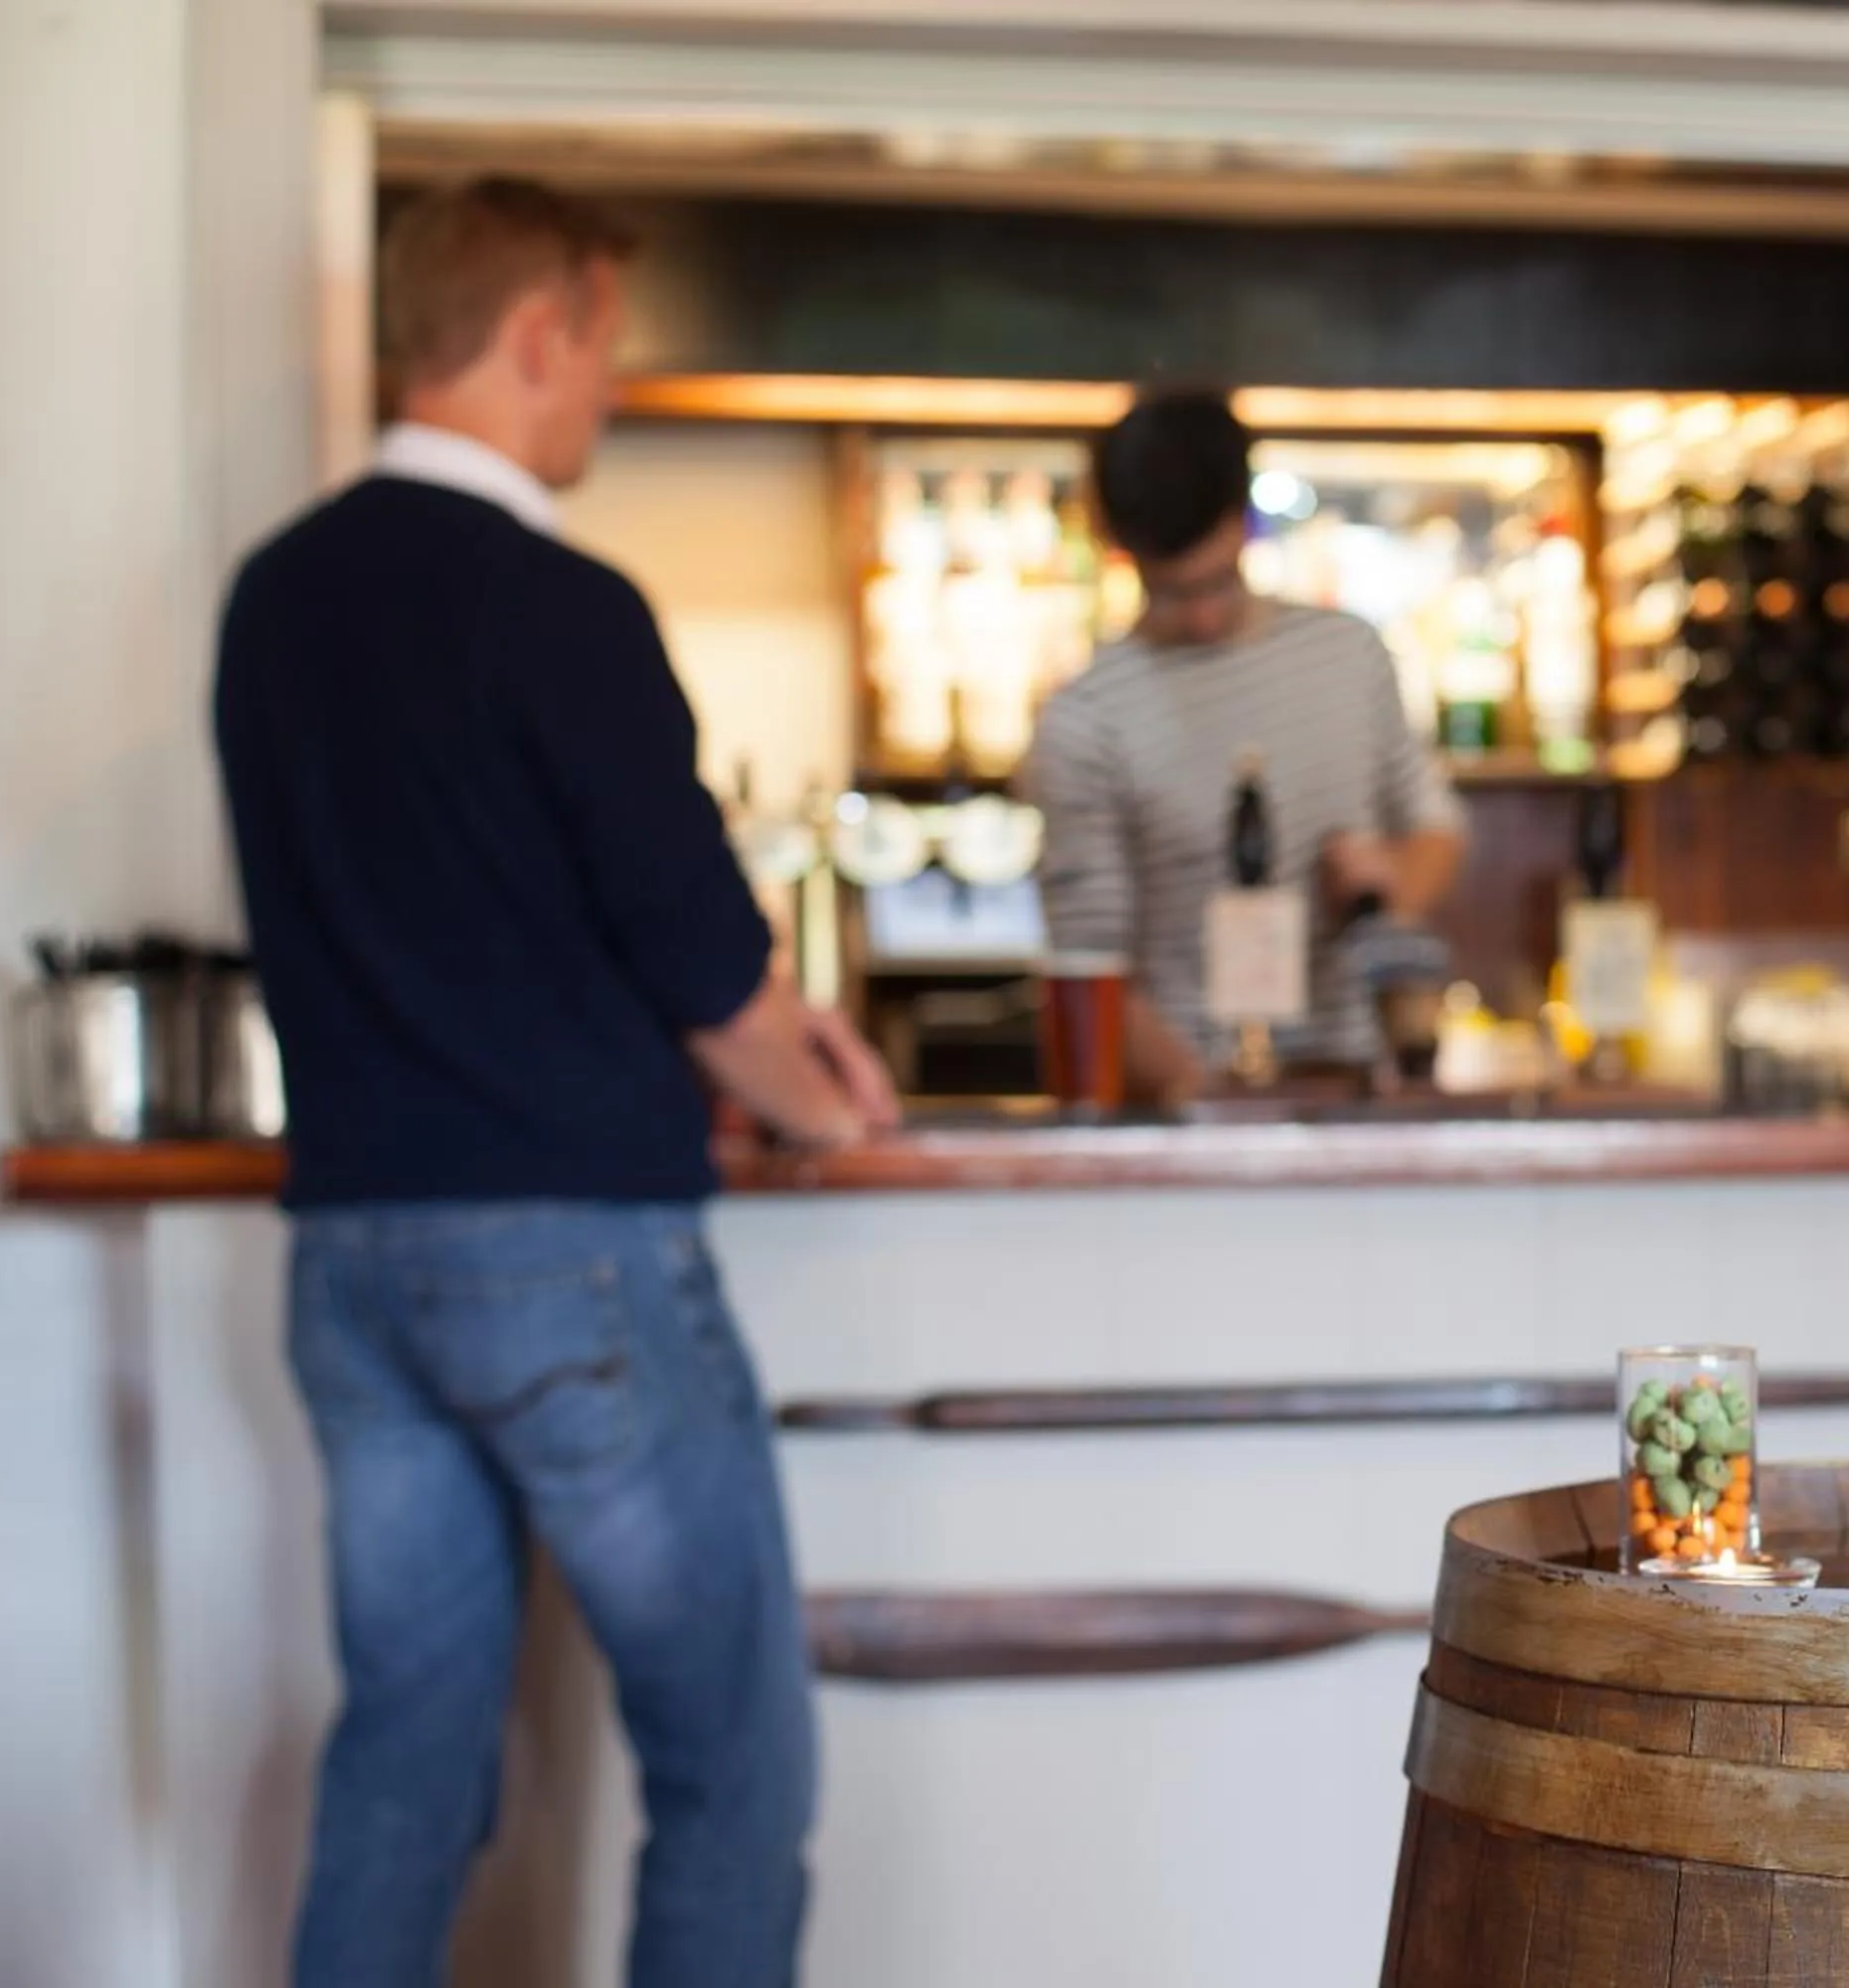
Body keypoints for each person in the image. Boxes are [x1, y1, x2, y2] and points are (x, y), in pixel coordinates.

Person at [213, 177, 896, 1988]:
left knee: (405, 1773)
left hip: (352, 1260)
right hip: (566, 1261)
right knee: (734, 1773)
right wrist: (824, 1096)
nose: (607, 387)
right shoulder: (562, 606)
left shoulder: (272, 598)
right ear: (536, 334)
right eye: (601, 346)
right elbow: (704, 967)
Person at [1019, 390, 1468, 1100]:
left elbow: (1434, 828)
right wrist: (1210, 1107)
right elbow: (1093, 968)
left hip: (1350, 1090)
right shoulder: (1086, 718)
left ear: (1245, 519)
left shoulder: (1346, 655)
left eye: (1217, 583)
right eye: (1171, 593)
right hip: (1187, 1110)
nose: (1202, 619)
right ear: (1116, 545)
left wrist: (1388, 886)